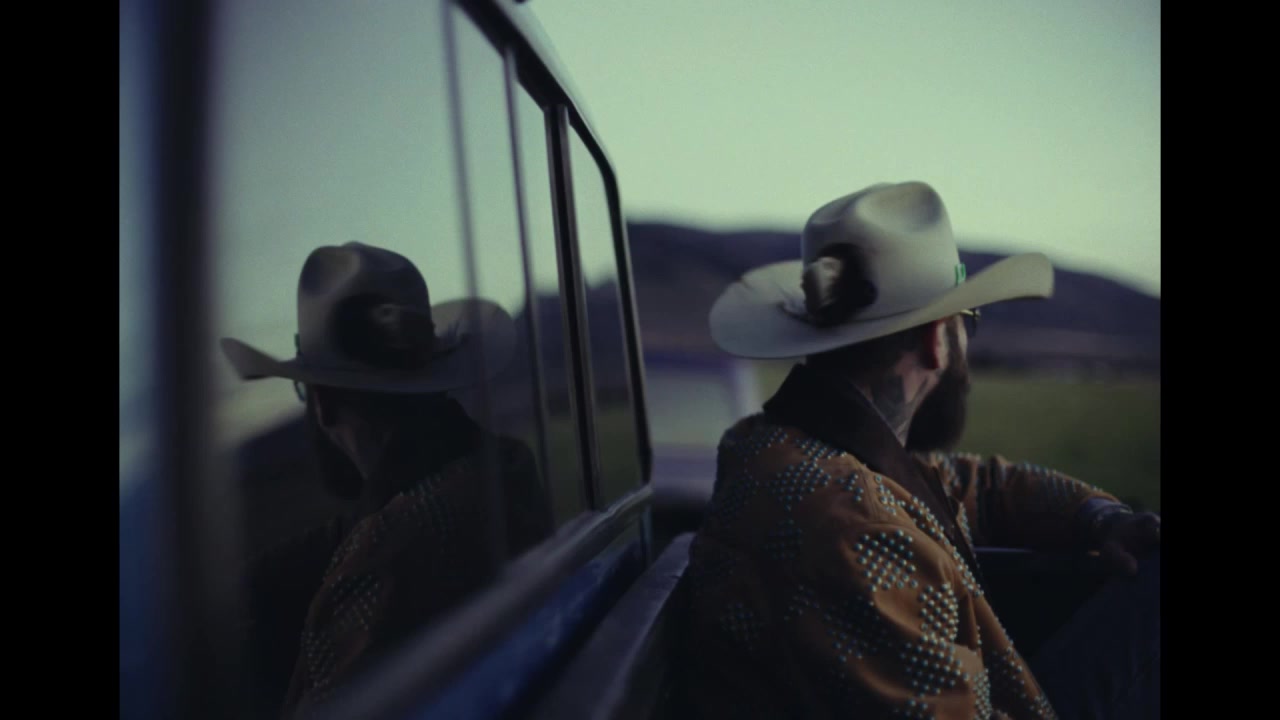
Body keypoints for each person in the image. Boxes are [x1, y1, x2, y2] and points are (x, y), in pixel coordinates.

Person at [684, 182, 1160, 719]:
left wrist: (1100, 518)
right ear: (937, 338)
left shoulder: (790, 446)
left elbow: (981, 485)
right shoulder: (857, 525)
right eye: (967, 321)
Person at [220, 242, 553, 718]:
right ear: (433, 379)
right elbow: (350, 528)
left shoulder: (380, 562)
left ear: (323, 403)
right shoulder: (501, 471)